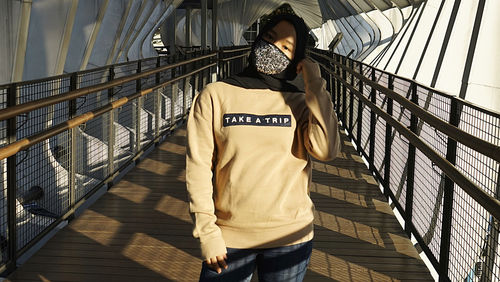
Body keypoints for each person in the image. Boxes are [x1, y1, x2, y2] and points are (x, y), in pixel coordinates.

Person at [186, 13, 341, 282]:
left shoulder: (301, 101)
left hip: (291, 237)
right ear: (257, 38)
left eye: (286, 48)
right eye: (270, 38)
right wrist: (207, 233)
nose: (273, 49)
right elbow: (197, 168)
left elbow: (326, 150)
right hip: (228, 238)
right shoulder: (215, 95)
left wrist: (315, 85)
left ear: (297, 59)